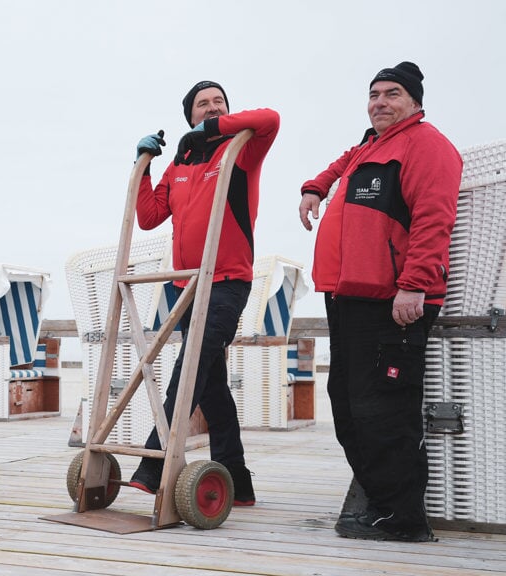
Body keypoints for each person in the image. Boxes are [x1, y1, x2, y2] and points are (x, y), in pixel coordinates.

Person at [299, 62, 461, 542]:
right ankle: (381, 504)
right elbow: (342, 159)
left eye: (392, 94)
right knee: (347, 407)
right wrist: (315, 187)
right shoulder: (370, 146)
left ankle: (404, 518)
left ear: (414, 102)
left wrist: (414, 284)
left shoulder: (427, 146)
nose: (380, 102)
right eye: (374, 94)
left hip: (394, 300)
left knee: (385, 410)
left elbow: (434, 219)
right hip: (348, 296)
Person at [129, 81, 280, 506]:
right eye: (203, 104)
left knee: (192, 362)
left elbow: (270, 119)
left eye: (219, 103)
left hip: (228, 279)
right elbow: (148, 216)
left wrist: (216, 127)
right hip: (186, 284)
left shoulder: (241, 150)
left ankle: (156, 456)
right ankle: (238, 479)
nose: (212, 109)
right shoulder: (180, 164)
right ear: (189, 116)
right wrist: (144, 164)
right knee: (211, 383)